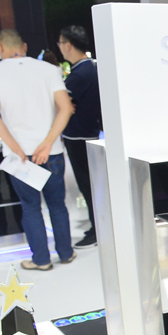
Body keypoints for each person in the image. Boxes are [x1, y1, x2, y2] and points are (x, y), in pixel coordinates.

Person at [0, 29, 75, 271]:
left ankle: (41, 260)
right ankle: (66, 253)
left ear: (0, 48)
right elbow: (66, 108)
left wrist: (16, 148)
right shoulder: (48, 69)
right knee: (57, 205)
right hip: (52, 151)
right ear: (23, 47)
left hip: (20, 156)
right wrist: (47, 142)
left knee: (31, 207)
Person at [57, 25, 102, 248]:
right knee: (90, 185)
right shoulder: (89, 68)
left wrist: (64, 105)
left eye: (60, 43)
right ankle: (98, 227)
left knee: (88, 186)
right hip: (88, 134)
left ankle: (98, 230)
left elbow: (63, 104)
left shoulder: (80, 74)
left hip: (80, 138)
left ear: (68, 45)